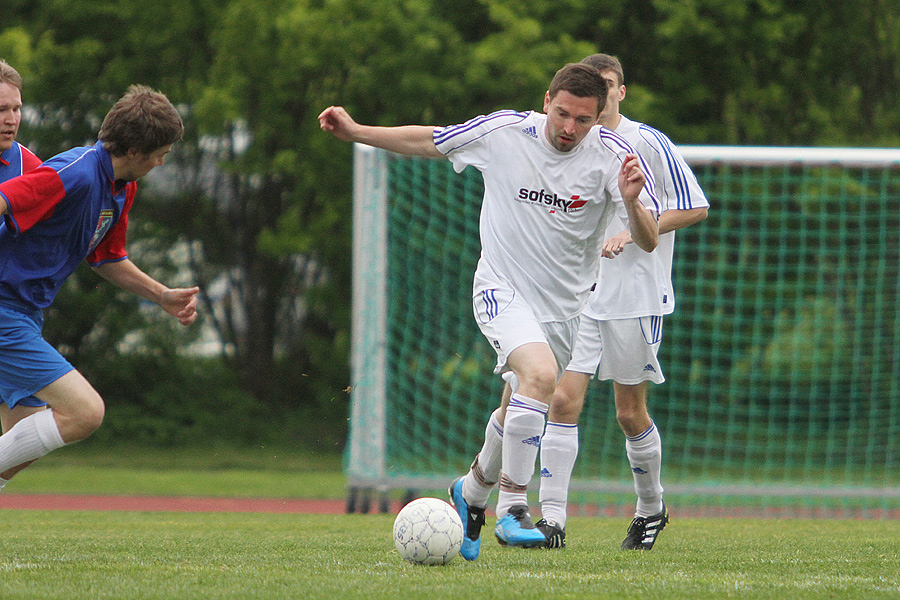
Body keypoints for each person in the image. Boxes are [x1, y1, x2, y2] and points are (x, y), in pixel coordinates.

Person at [320, 62, 660, 561]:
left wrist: (631, 205)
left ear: (597, 118)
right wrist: (357, 132)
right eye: (562, 114)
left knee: (516, 409)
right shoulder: (505, 132)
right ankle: (513, 509)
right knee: (541, 376)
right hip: (501, 289)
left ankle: (472, 491)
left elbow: (648, 241)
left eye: (582, 120)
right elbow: (431, 139)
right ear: (547, 101)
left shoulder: (615, 158)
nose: (569, 129)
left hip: (565, 308)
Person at [535, 53, 709, 550]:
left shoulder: (646, 141)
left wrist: (635, 232)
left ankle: (651, 507)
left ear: (620, 92)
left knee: (628, 413)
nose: (604, 94)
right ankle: (552, 520)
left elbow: (695, 205)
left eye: (610, 86)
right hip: (581, 294)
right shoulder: (576, 145)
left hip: (634, 294)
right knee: (562, 399)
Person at [0, 84, 200, 491]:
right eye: (160, 152)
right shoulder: (75, 172)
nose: (163, 162)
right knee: (85, 412)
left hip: (25, 313)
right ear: (133, 152)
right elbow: (6, 198)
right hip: (3, 310)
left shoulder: (121, 188)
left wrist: (161, 295)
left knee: (19, 446)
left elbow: (107, 257)